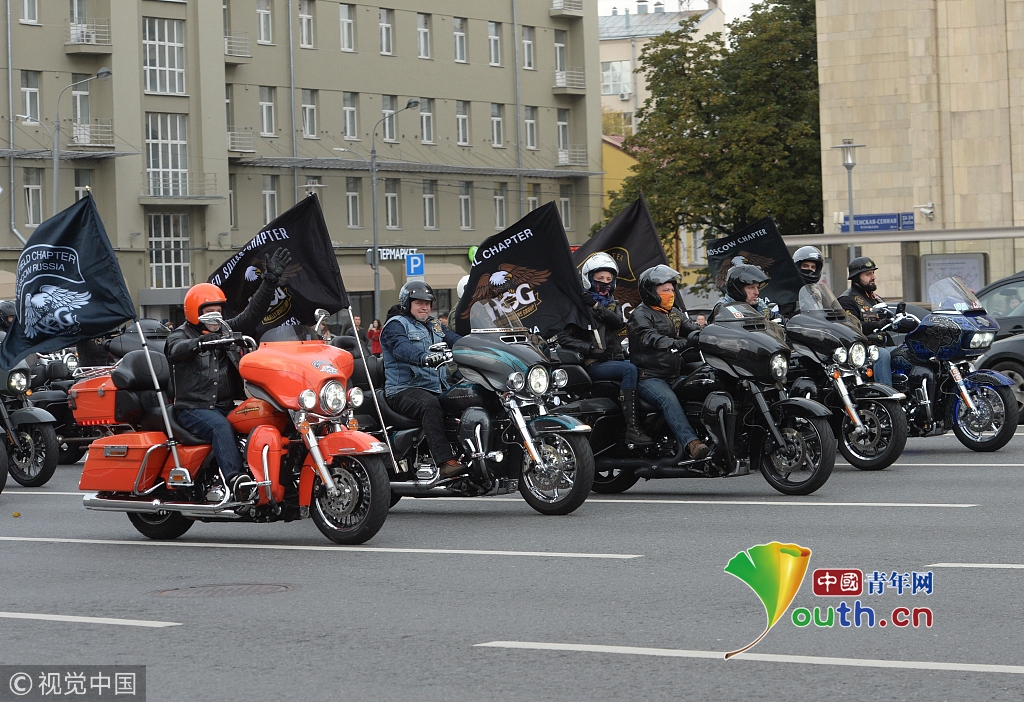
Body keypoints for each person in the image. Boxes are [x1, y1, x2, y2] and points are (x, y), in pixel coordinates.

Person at [166, 248, 292, 498]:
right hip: (193, 409)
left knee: (271, 415)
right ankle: (237, 481)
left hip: (227, 405)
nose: (216, 317)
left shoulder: (224, 330)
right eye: (209, 312)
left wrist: (269, 281)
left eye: (218, 311)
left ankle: (280, 476)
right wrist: (200, 343)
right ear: (194, 312)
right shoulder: (180, 335)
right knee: (220, 427)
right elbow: (176, 350)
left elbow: (251, 315)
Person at [557, 253, 652, 445]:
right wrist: (590, 348)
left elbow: (617, 322)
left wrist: (595, 305)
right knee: (629, 369)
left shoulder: (613, 303)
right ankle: (632, 428)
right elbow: (564, 337)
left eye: (609, 279)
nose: (605, 283)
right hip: (595, 364)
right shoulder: (579, 308)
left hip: (615, 359)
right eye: (600, 278)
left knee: (646, 366)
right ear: (589, 279)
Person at [380, 281, 467, 479]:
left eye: (427, 303)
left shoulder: (434, 324)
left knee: (466, 396)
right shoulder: (395, 325)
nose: (424, 307)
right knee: (429, 405)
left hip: (436, 387)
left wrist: (478, 347)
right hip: (403, 389)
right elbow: (402, 348)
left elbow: (454, 339)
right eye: (419, 303)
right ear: (406, 303)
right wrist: (423, 357)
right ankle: (444, 462)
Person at [627, 265, 709, 460]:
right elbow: (650, 337)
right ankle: (692, 443)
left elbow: (692, 328)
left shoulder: (673, 312)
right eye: (665, 290)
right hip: (650, 377)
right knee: (668, 399)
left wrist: (710, 334)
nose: (670, 294)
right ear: (651, 291)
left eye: (672, 290)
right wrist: (677, 343)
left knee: (706, 383)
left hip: (674, 374)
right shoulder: (640, 314)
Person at [838, 257, 893, 386]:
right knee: (882, 355)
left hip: (883, 344)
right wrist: (876, 325)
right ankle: (888, 395)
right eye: (868, 274)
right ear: (856, 278)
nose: (873, 277)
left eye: (873, 273)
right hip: (863, 350)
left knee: (907, 351)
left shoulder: (876, 299)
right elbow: (851, 328)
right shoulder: (847, 300)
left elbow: (890, 320)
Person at [710, 264, 779, 322]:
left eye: (757, 287)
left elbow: (778, 319)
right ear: (737, 289)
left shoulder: (759, 304)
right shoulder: (723, 309)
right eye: (751, 287)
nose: (757, 292)